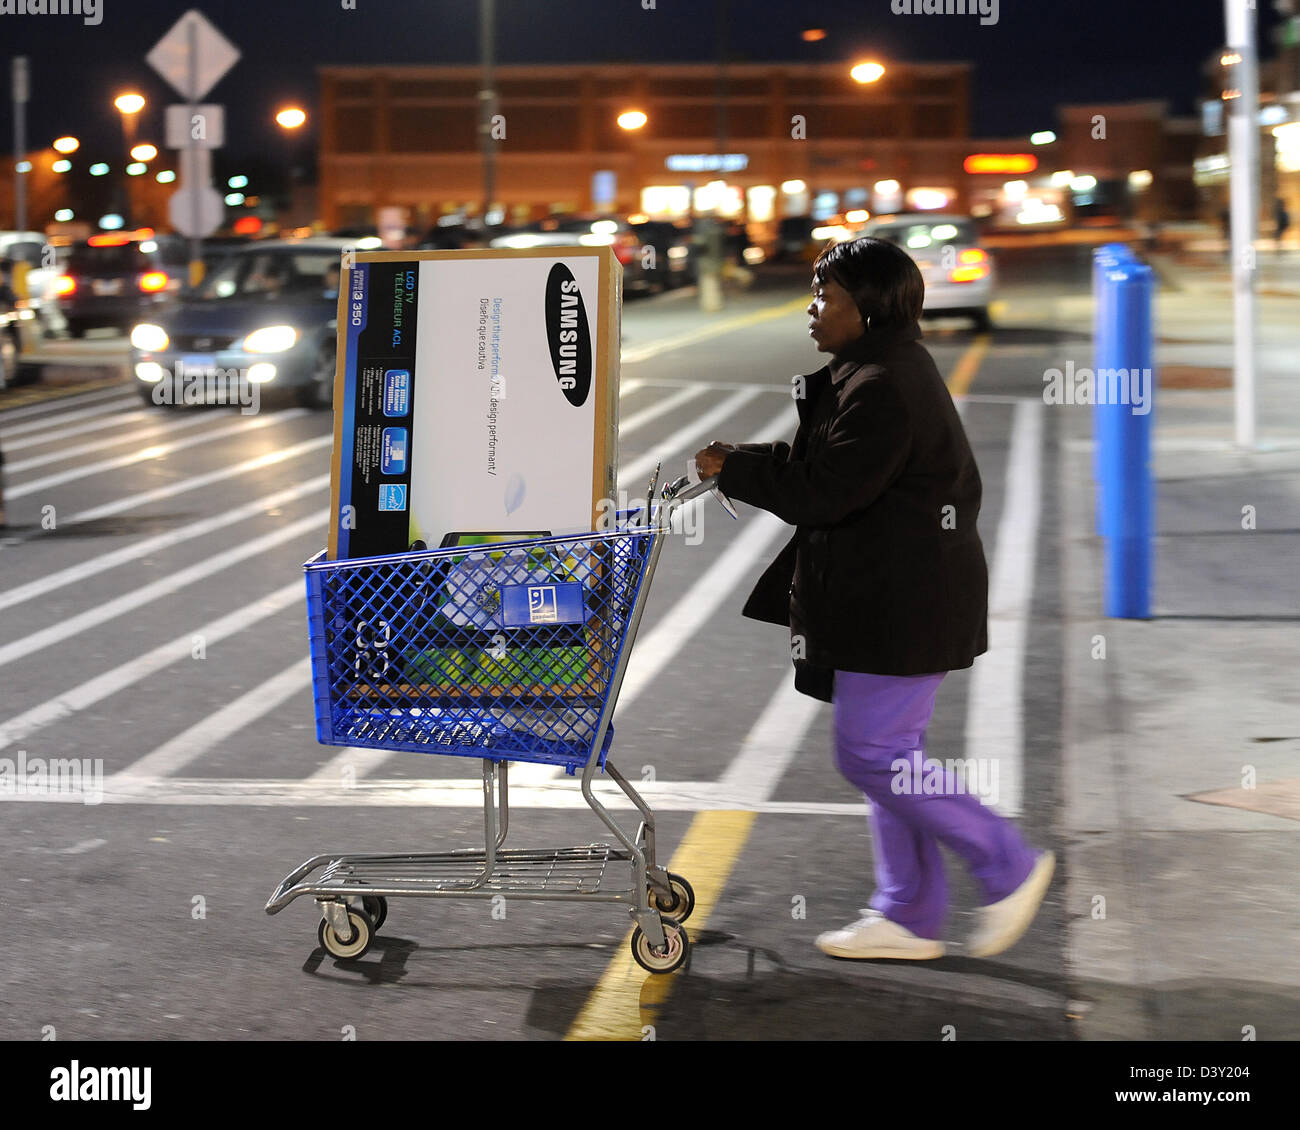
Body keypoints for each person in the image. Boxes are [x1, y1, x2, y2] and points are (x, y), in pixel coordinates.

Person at [693, 237, 1054, 960]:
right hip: (894, 598)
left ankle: (1005, 862)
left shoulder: (883, 383)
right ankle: (908, 915)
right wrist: (746, 460)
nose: (813, 307)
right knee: (893, 754)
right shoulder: (872, 371)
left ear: (870, 307)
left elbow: (829, 491)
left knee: (871, 755)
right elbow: (829, 465)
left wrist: (739, 474)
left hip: (902, 603)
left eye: (827, 295)